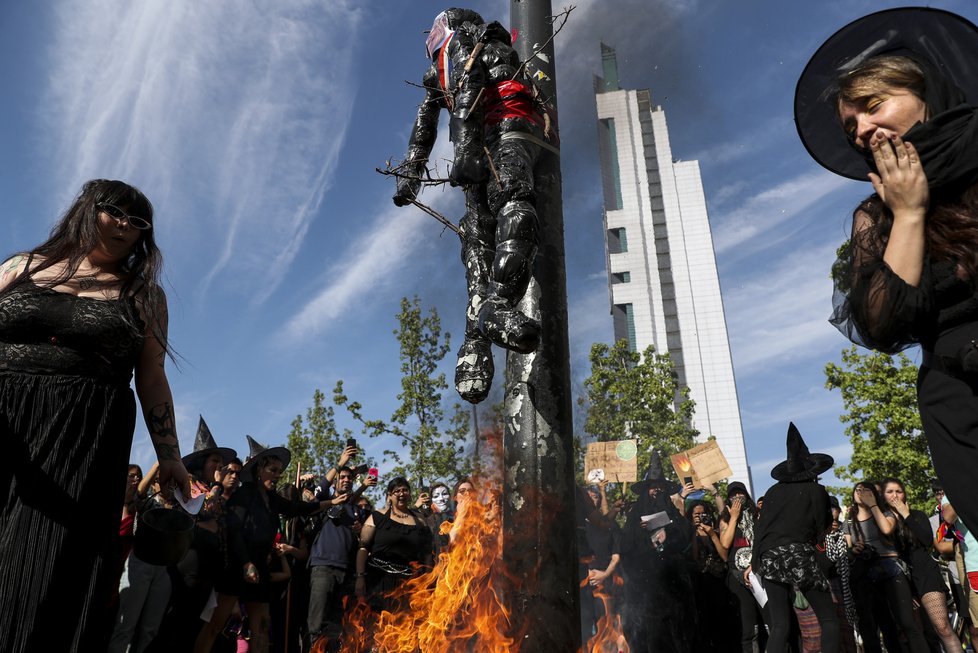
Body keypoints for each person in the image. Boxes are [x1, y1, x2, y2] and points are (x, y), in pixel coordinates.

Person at [796, 7, 978, 537]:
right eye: (851, 125)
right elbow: (881, 324)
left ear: (924, 91)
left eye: (873, 107)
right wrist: (910, 213)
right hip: (959, 405)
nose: (862, 131)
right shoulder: (875, 214)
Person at [0, 179, 191, 652]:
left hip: (80, 439)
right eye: (115, 211)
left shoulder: (145, 296)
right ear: (86, 210)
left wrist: (171, 455)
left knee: (42, 564)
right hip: (3, 420)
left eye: (138, 221)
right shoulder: (22, 266)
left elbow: (150, 377)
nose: (125, 225)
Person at [392, 9, 558, 403]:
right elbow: (427, 120)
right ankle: (482, 328)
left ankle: (491, 312)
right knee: (480, 234)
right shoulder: (443, 69)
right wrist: (412, 169)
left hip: (506, 131)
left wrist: (459, 150)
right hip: (493, 138)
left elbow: (470, 84)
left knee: (511, 206)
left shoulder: (470, 46)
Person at [194, 437, 338, 653]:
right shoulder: (244, 494)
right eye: (273, 469)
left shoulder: (271, 498)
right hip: (237, 565)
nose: (278, 475)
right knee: (215, 625)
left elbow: (296, 508)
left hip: (259, 568)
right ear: (259, 470)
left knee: (261, 627)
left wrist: (332, 502)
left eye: (279, 470)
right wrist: (245, 564)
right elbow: (234, 531)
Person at [750, 423, 840, 652]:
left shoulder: (772, 492)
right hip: (800, 555)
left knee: (780, 625)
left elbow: (760, 529)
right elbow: (822, 528)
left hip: (769, 557)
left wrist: (756, 561)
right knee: (828, 619)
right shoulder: (816, 491)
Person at [619, 452, 695, 653]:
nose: (657, 490)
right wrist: (642, 535)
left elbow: (685, 535)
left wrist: (667, 531)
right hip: (644, 590)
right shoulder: (635, 517)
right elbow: (626, 546)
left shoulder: (673, 514)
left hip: (673, 588)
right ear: (646, 490)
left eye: (660, 487)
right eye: (653, 487)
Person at [843, 481, 927, 652]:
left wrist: (873, 505)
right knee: (871, 627)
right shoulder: (849, 523)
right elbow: (848, 553)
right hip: (864, 575)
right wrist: (853, 550)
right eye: (857, 490)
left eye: (866, 490)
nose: (861, 492)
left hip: (891, 570)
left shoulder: (886, 513)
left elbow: (887, 529)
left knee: (906, 623)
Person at [879, 477, 961, 652]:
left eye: (898, 491)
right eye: (890, 492)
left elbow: (926, 540)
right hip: (901, 580)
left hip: (925, 574)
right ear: (882, 496)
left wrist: (905, 514)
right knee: (921, 633)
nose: (895, 496)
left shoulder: (917, 515)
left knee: (943, 628)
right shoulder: (882, 522)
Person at [306, 465, 374, 651]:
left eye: (349, 478)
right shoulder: (326, 501)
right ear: (335, 481)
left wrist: (359, 532)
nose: (346, 480)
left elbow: (362, 543)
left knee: (336, 627)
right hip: (323, 568)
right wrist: (339, 463)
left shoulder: (355, 510)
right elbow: (321, 488)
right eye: (342, 477)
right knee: (316, 625)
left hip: (346, 571)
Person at [355, 477, 434, 613]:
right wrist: (360, 577)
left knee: (403, 625)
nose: (401, 494)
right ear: (390, 496)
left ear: (409, 494)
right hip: (378, 580)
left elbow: (427, 554)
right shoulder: (377, 516)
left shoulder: (420, 521)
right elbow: (363, 548)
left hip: (408, 583)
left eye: (405, 490)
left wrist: (427, 582)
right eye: (397, 491)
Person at [718, 481, 768, 653]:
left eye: (741, 494)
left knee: (769, 624)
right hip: (738, 579)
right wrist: (734, 517)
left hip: (760, 575)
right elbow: (724, 544)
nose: (738, 498)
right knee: (749, 629)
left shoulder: (757, 517)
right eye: (733, 495)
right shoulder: (725, 519)